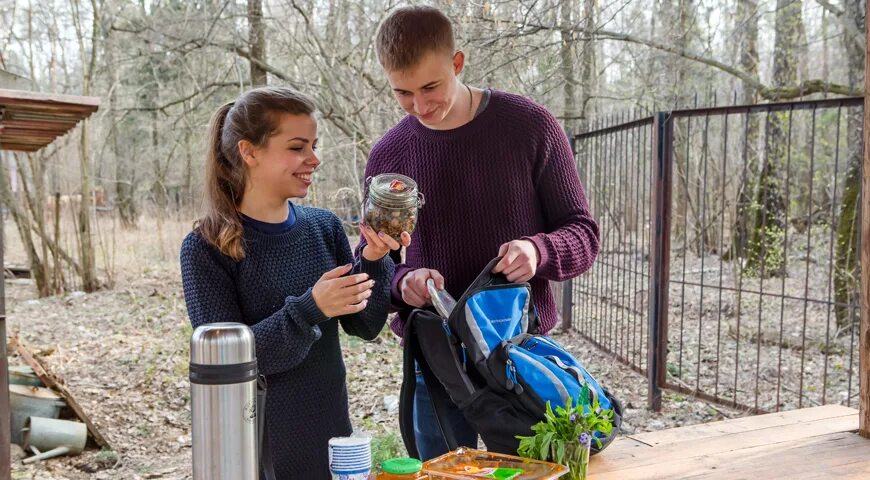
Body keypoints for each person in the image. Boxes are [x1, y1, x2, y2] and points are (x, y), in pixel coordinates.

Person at [358, 6, 601, 460]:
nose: (421, 106)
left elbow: (583, 234)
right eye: (403, 93)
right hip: (435, 360)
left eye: (430, 87)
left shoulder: (530, 126)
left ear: (457, 63)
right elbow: (375, 261)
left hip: (520, 355)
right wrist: (402, 283)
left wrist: (538, 249)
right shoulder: (389, 155)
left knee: (539, 470)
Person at [180, 86, 398, 479]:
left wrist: (373, 258)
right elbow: (228, 367)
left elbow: (364, 326)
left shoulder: (323, 226)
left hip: (330, 436)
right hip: (254, 447)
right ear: (249, 152)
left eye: (314, 145)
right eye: (298, 147)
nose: (314, 159)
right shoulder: (205, 247)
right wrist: (311, 308)